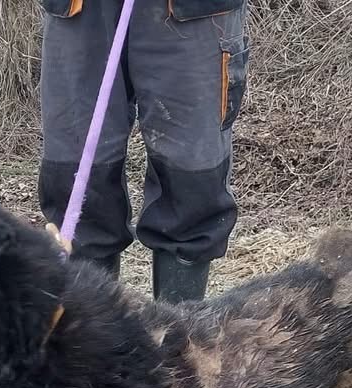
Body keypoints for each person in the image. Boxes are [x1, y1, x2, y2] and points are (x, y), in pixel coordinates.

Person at [38, 0, 250, 303]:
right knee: (77, 184)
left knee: (192, 184)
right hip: (80, 10)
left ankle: (179, 329)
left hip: (194, 11)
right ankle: (92, 330)